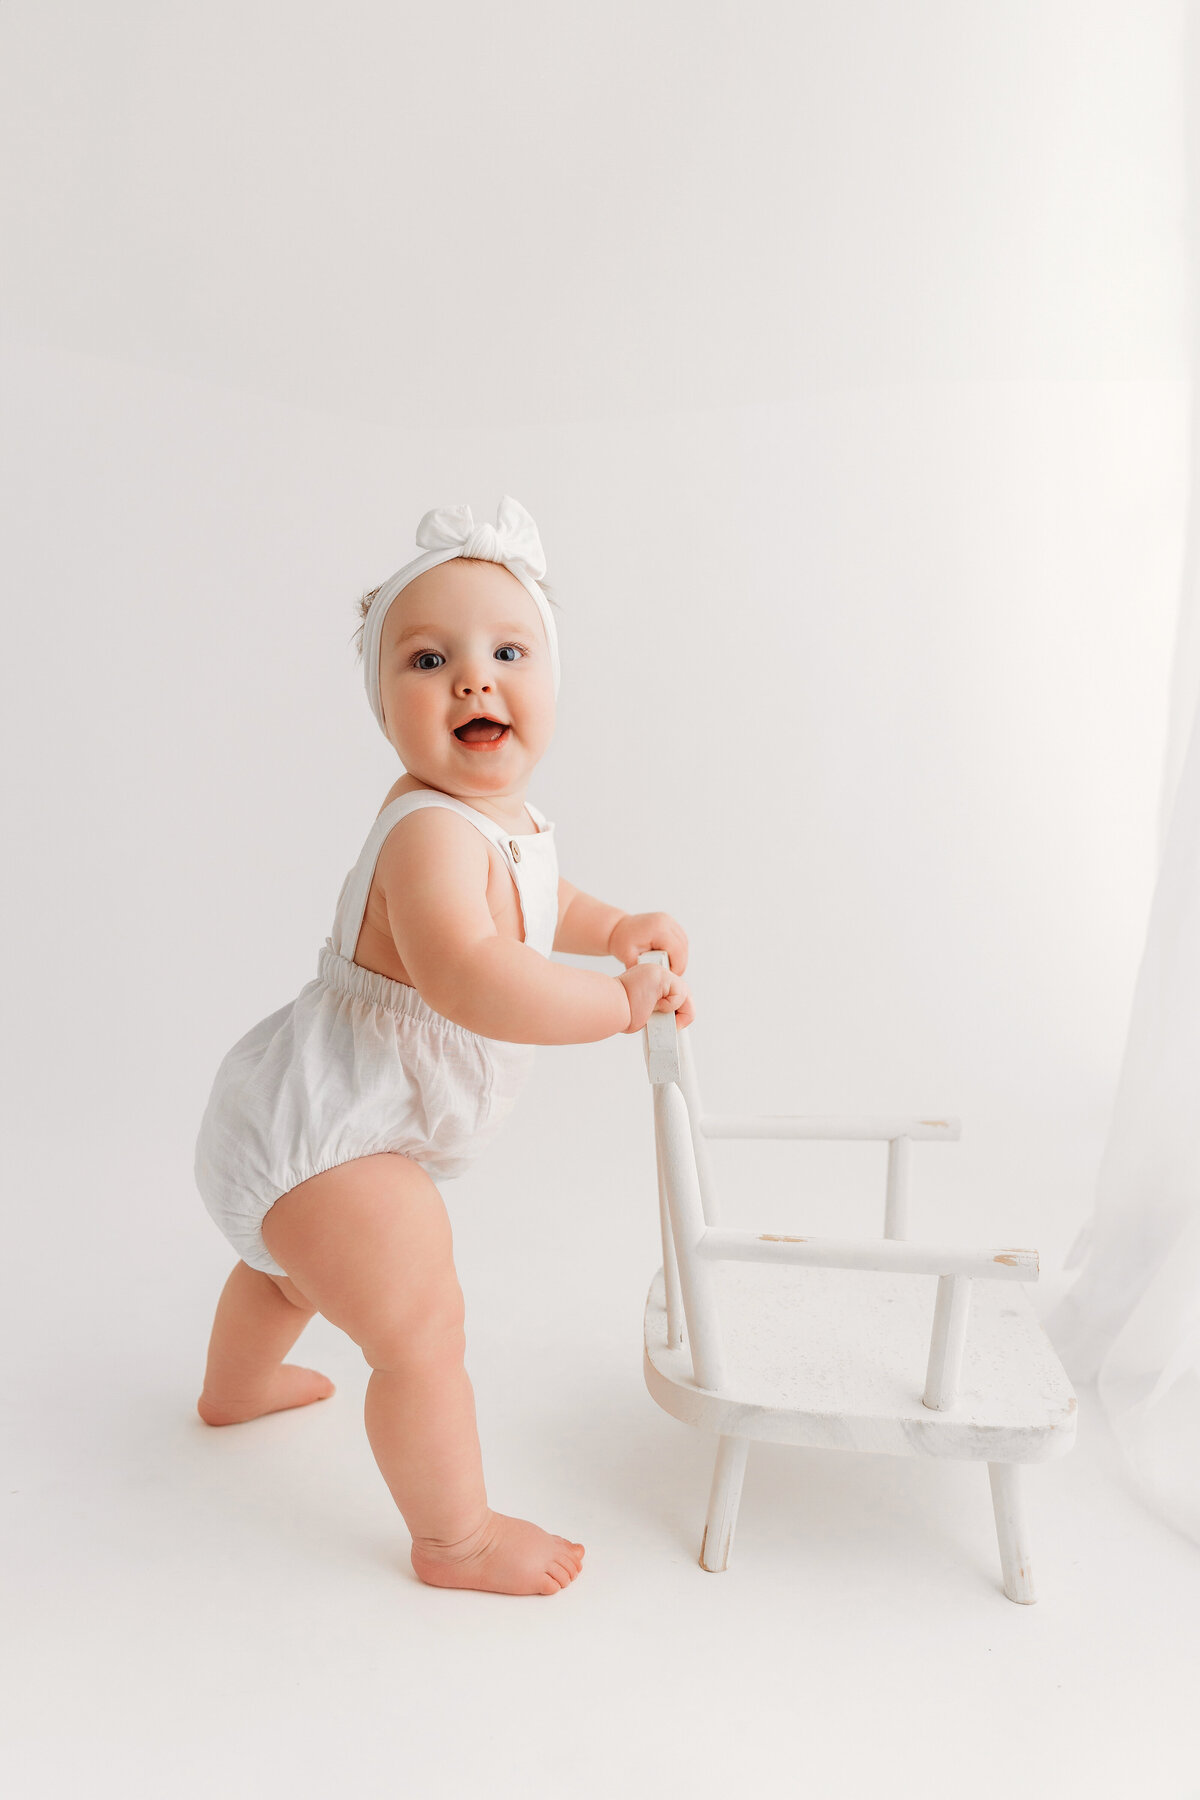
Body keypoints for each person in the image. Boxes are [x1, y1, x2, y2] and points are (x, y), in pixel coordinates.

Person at [192, 496, 693, 1596]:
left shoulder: (505, 820)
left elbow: (536, 900)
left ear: (553, 682)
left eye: (509, 651)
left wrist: (612, 931)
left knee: (289, 1282)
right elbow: (473, 975)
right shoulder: (424, 831)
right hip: (331, 1138)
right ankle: (453, 1538)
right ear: (385, 707)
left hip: (329, 1120)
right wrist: (618, 1004)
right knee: (422, 1325)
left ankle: (232, 1393)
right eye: (429, 659)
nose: (474, 678)